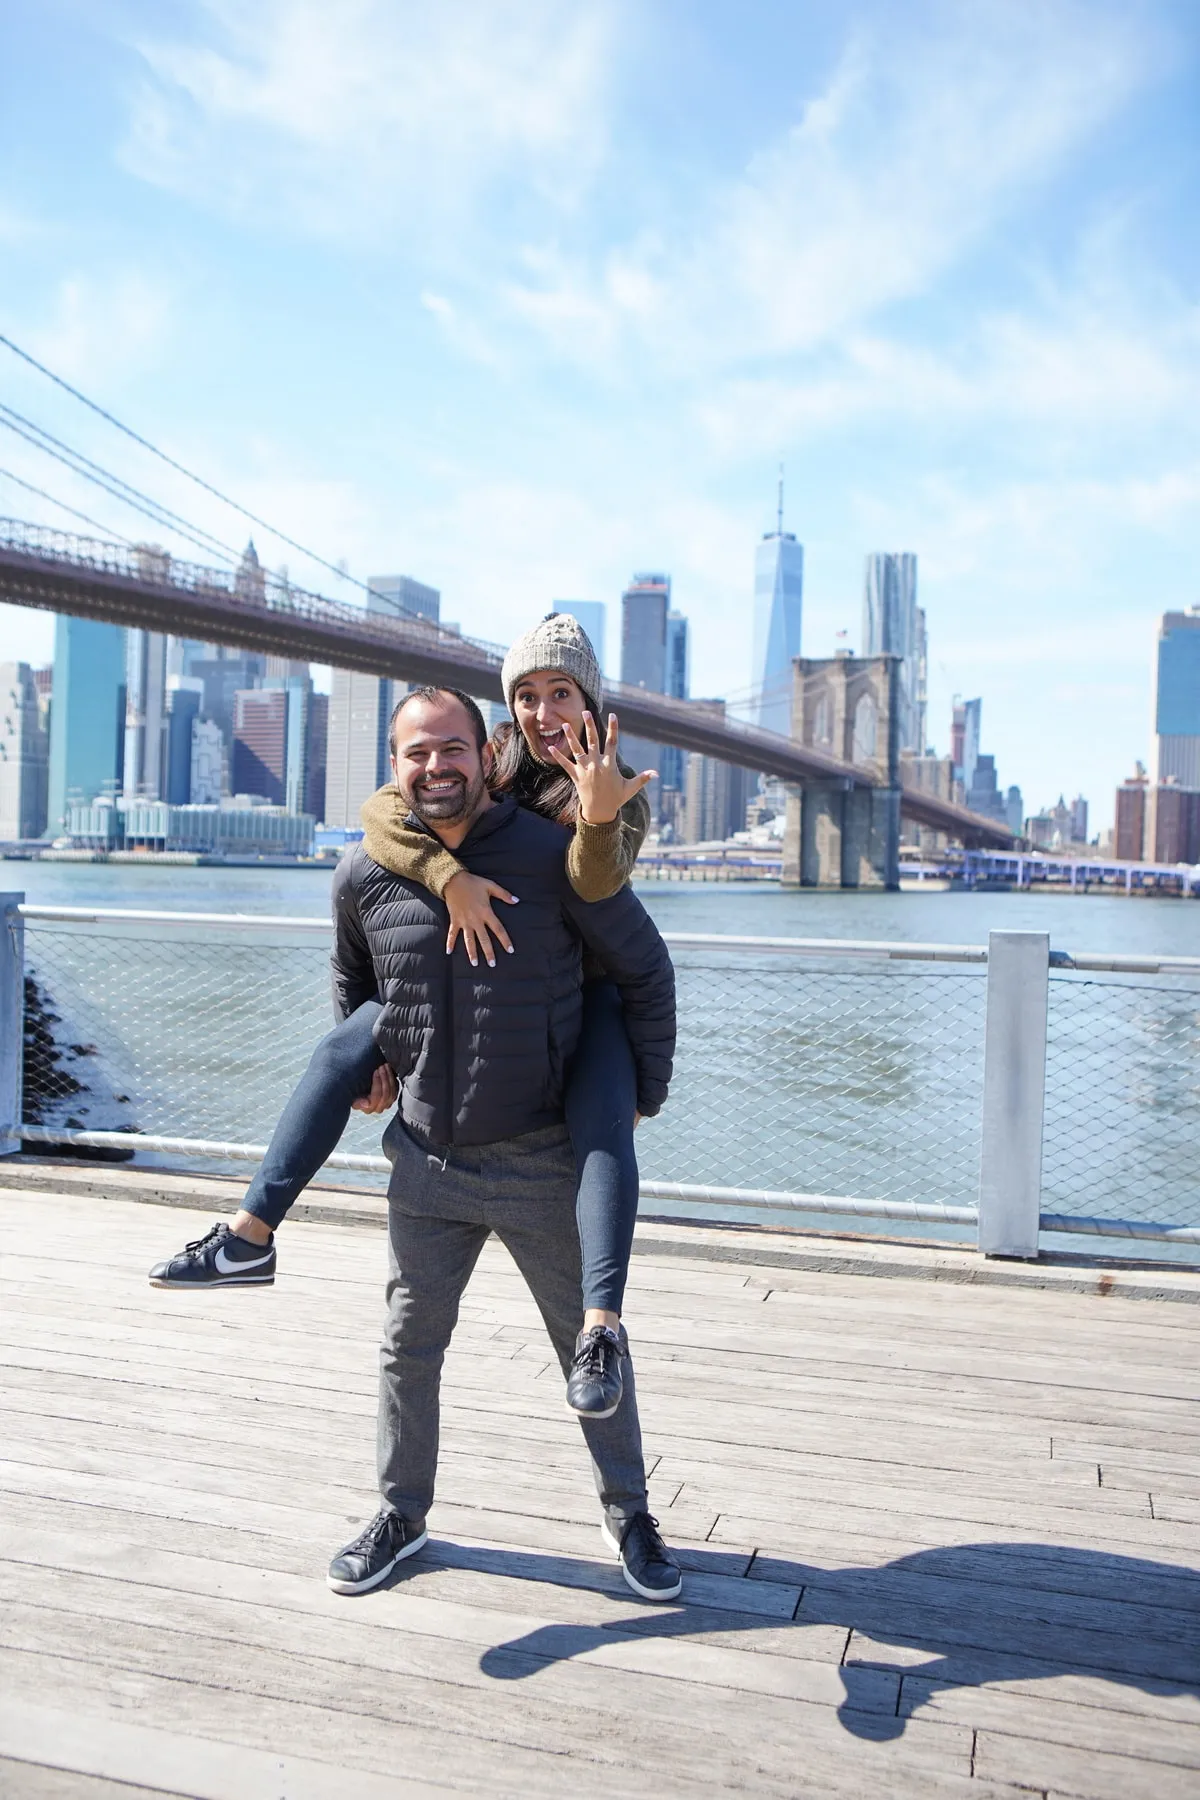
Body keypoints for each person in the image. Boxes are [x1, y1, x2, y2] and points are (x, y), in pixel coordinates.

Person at [150, 615, 655, 1422]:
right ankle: (250, 1233)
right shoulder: (494, 759)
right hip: (470, 1000)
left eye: (561, 691)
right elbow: (388, 811)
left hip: (577, 993)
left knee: (603, 1129)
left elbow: (596, 895)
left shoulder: (617, 789)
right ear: (504, 719)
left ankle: (604, 1332)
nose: (543, 709)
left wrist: (596, 817)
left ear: (591, 698)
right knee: (344, 1043)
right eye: (526, 694)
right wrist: (447, 875)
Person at [321, 684, 680, 1600]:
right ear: (394, 768)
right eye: (416, 754)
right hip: (425, 1160)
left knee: (590, 1347)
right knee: (408, 1346)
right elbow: (351, 971)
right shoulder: (371, 864)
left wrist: (641, 1088)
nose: (436, 767)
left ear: (487, 756)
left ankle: (630, 1514)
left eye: (453, 750)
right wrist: (368, 1067)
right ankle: (401, 1514)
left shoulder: (555, 855)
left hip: (540, 1157)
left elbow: (639, 964)